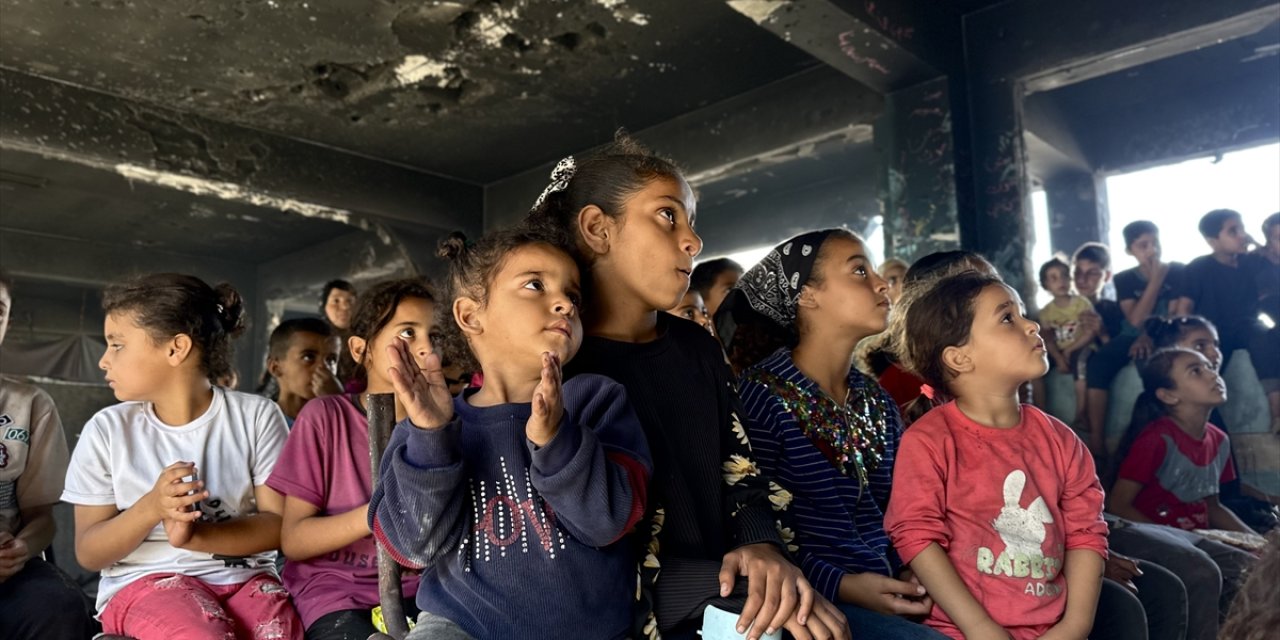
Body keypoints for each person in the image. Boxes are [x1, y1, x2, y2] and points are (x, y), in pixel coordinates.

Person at [525, 136, 848, 640]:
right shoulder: (559, 366)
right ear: (597, 229)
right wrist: (717, 585)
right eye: (667, 216)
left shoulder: (696, 348)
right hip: (630, 614)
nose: (693, 240)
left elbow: (738, 466)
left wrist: (761, 546)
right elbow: (571, 535)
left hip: (721, 593)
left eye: (691, 222)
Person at [368, 228, 652, 638]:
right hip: (461, 626)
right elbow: (413, 548)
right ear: (470, 315)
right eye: (535, 285)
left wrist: (558, 440)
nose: (564, 304)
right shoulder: (432, 422)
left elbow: (608, 522)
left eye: (573, 295)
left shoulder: (596, 399)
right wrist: (431, 436)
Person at [726, 230, 944, 639]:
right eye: (860, 270)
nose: (880, 283)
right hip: (814, 602)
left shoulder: (873, 398)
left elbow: (905, 505)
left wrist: (913, 566)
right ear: (807, 294)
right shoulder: (760, 397)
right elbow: (752, 523)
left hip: (898, 588)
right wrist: (841, 585)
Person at [62, 273, 300, 640]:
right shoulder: (107, 430)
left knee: (279, 633)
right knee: (203, 634)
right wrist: (151, 507)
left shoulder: (257, 417)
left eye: (117, 345)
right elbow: (90, 553)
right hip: (145, 582)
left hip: (246, 579)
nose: (104, 361)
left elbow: (279, 526)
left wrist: (195, 537)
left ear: (176, 349)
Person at [885, 271, 1108, 640]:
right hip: (958, 632)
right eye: (1008, 318)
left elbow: (1087, 533)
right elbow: (915, 536)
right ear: (960, 358)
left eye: (1022, 314)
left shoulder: (1062, 441)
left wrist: (1074, 626)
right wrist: (981, 629)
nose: (1032, 324)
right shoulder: (928, 440)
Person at [266, 279, 433, 640]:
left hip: (424, 593)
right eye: (408, 333)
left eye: (435, 336)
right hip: (336, 592)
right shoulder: (325, 417)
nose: (426, 349)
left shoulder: (446, 425)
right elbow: (294, 539)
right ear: (360, 349)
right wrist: (376, 514)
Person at [0, 273, 98, 639]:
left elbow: (41, 517)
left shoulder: (30, 405)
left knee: (59, 604)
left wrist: (20, 549)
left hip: (7, 573)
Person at [1175, 209, 1278, 435]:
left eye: (1242, 228)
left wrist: (1260, 248)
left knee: (1263, 338)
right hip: (1214, 331)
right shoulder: (1198, 267)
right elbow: (1184, 308)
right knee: (1204, 370)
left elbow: (1275, 263)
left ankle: (1277, 410)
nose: (1242, 235)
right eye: (1233, 231)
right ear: (1213, 241)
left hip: (1247, 325)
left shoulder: (1251, 263)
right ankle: (1197, 426)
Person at [1037, 256, 1096, 424]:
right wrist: (1059, 358)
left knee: (1080, 362)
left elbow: (1090, 333)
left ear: (1070, 279)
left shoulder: (1081, 303)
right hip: (1059, 350)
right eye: (1053, 278)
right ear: (1046, 285)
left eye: (1064, 276)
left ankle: (1081, 413)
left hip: (1083, 345)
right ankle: (1040, 415)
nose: (1060, 281)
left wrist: (1069, 350)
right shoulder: (1046, 312)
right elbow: (1048, 340)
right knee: (1035, 364)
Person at [263, 318, 342, 427]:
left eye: (331, 360)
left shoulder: (341, 417)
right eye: (308, 357)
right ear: (275, 367)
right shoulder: (261, 423)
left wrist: (339, 405)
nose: (324, 368)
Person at [321, 280, 362, 392]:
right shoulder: (314, 339)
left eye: (350, 301)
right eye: (336, 301)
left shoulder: (368, 340)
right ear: (324, 306)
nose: (344, 307)